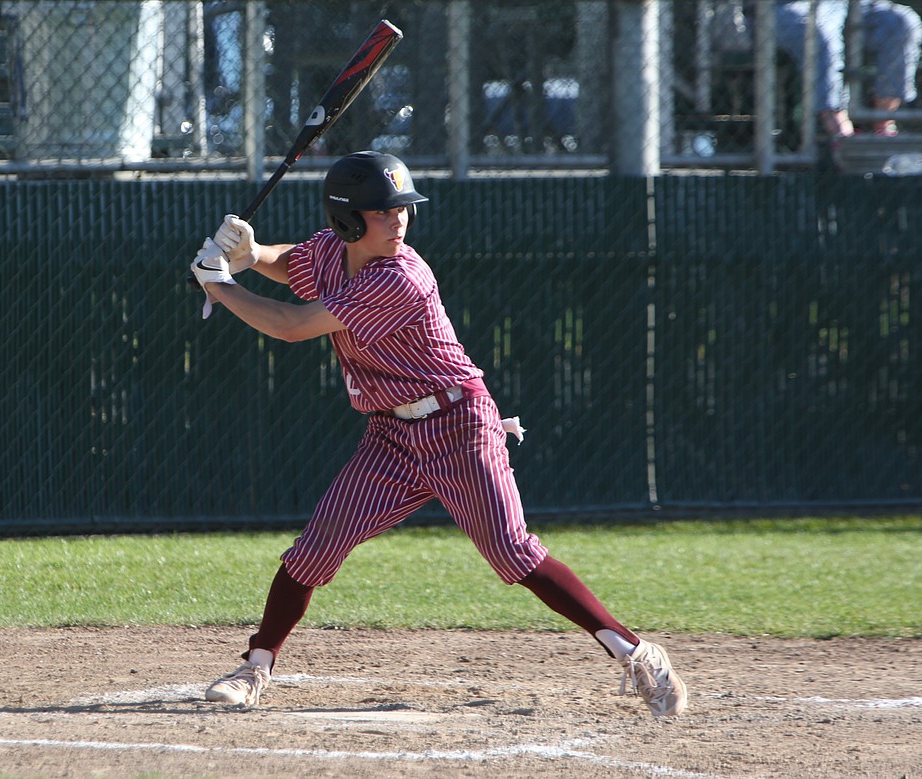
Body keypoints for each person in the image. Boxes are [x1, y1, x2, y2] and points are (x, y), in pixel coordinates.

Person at [189, 150, 687, 717]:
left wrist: (221, 285)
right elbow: (293, 264)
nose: (399, 219)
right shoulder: (332, 251)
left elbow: (291, 326)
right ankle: (256, 667)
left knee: (511, 552)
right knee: (314, 551)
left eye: (403, 208)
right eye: (382, 211)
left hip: (459, 425)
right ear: (348, 220)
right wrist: (252, 254)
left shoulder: (399, 275)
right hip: (391, 436)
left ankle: (637, 652)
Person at [773, 0, 922, 137]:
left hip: (848, 4)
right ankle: (840, 134)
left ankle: (883, 125)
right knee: (818, 34)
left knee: (901, 22)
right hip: (783, 6)